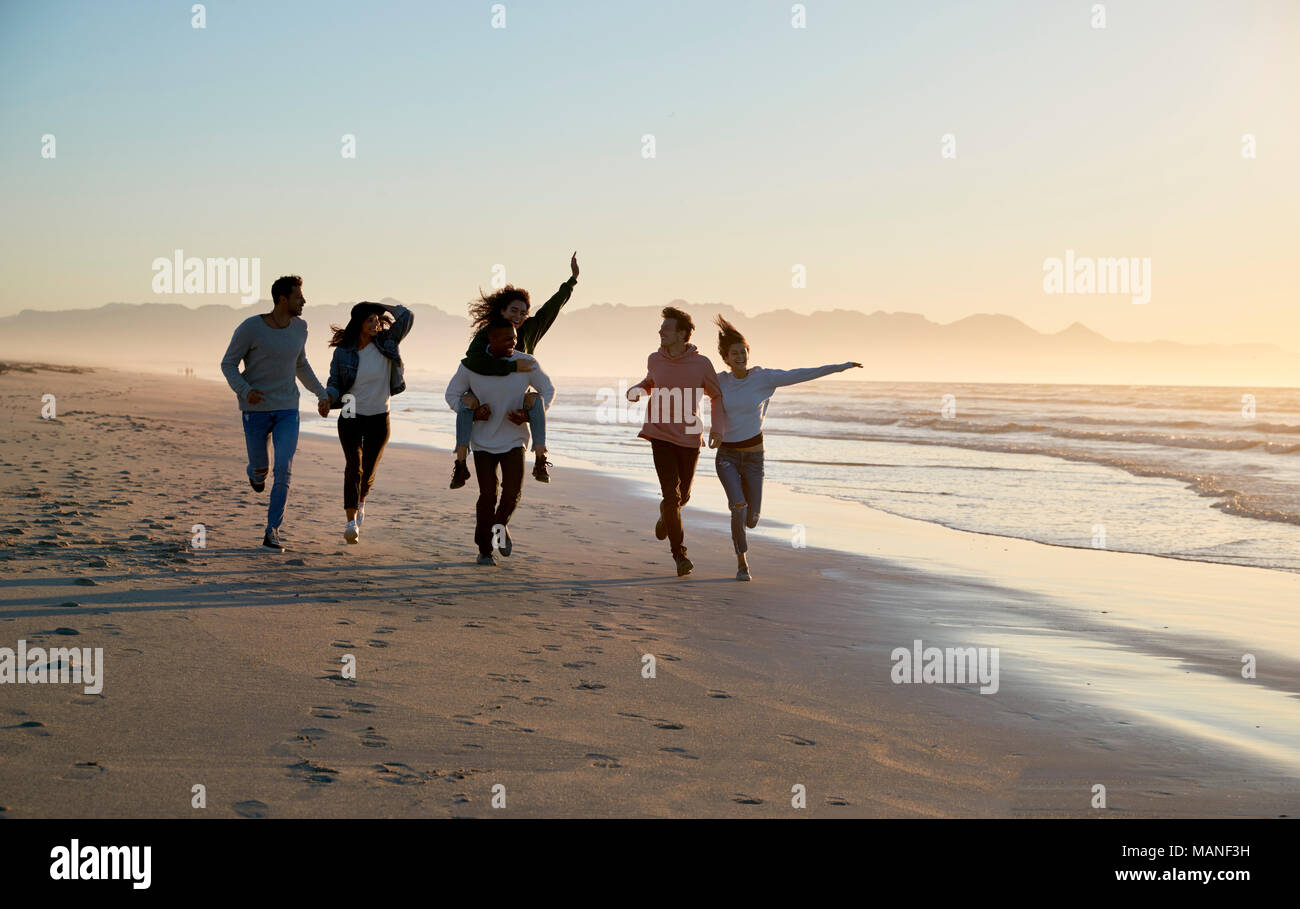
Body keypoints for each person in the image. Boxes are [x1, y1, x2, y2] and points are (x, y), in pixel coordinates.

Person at [712, 315, 861, 580]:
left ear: (748, 353)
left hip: (755, 457)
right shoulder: (719, 381)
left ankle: (744, 524)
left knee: (752, 517)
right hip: (727, 456)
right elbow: (686, 383)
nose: (740, 356)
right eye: (734, 353)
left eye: (744, 351)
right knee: (738, 506)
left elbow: (800, 374)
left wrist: (839, 367)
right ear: (725, 356)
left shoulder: (764, 378)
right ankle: (742, 563)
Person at [219, 275, 332, 551]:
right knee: (262, 470)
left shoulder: (301, 328)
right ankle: (256, 475)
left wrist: (321, 393)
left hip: (287, 410)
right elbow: (228, 364)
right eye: (298, 296)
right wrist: (246, 391)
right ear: (282, 299)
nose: (304, 301)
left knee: (284, 469)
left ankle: (272, 531)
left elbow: (301, 364)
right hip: (255, 410)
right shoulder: (250, 328)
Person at [450, 252, 578, 489]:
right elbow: (474, 361)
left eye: (522, 312)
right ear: (502, 311)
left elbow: (551, 308)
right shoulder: (488, 334)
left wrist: (571, 282)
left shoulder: (529, 331)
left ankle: (541, 459)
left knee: (536, 399)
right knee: (467, 402)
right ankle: (460, 463)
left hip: (515, 397)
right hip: (484, 396)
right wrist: (511, 366)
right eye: (513, 311)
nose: (518, 317)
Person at [444, 318, 555, 565]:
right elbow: (451, 395)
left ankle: (498, 526)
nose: (513, 343)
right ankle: (485, 550)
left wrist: (530, 414)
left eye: (514, 338)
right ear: (490, 339)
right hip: (482, 441)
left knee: (513, 491)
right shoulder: (472, 367)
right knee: (487, 495)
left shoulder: (525, 363)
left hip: (515, 439)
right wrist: (473, 412)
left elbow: (547, 390)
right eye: (506, 338)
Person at [626, 307, 726, 577]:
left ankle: (666, 516)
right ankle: (680, 556)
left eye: (666, 329)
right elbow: (651, 382)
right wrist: (637, 389)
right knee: (671, 494)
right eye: (661, 329)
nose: (660, 332)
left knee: (683, 496)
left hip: (690, 437)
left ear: (682, 334)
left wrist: (718, 429)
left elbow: (716, 396)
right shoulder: (654, 358)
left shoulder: (702, 363)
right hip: (659, 434)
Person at [324, 301, 415, 543]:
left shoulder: (387, 341)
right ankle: (350, 521)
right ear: (359, 325)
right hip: (351, 413)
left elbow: (407, 316)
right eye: (370, 320)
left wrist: (379, 305)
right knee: (354, 466)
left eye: (377, 319)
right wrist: (328, 398)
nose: (376, 324)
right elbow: (334, 381)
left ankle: (362, 501)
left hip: (379, 415)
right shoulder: (343, 352)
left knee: (369, 469)